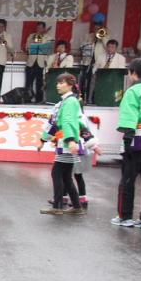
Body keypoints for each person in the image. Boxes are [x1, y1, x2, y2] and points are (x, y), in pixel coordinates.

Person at [111, 59, 141, 230]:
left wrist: (127, 140)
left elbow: (129, 116)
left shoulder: (132, 91)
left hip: (137, 139)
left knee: (128, 179)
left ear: (133, 73)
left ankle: (125, 216)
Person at [38, 73, 86, 216]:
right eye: (58, 83)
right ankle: (76, 206)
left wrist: (70, 140)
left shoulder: (70, 102)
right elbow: (54, 123)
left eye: (61, 83)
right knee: (65, 176)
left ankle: (58, 206)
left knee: (57, 173)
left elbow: (69, 121)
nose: (58, 86)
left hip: (67, 142)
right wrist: (43, 140)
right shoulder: (65, 102)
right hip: (65, 141)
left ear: (70, 85)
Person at [25, 22, 54, 103]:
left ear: (44, 28)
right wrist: (38, 36)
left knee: (39, 83)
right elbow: (27, 47)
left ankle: (39, 99)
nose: (39, 29)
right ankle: (27, 99)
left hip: (41, 62)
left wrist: (42, 36)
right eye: (37, 28)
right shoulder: (31, 36)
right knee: (28, 82)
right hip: (31, 62)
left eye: (41, 28)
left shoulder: (48, 37)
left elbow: (49, 50)